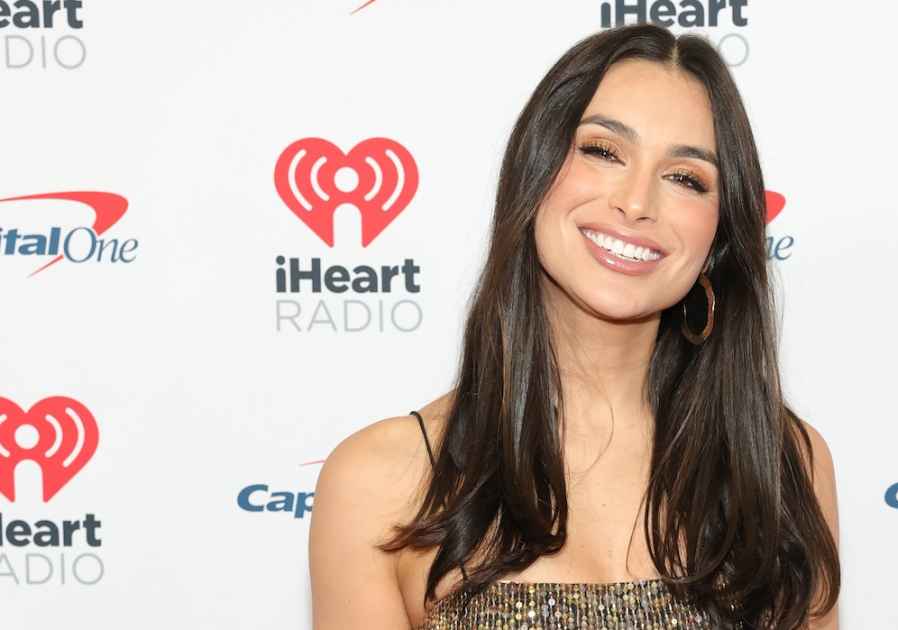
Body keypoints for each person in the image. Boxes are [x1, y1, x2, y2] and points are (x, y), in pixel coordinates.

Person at [309, 23, 840, 629]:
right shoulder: (380, 483)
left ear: (719, 236)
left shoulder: (784, 465)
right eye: (603, 151)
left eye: (685, 178)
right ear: (533, 173)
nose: (636, 202)